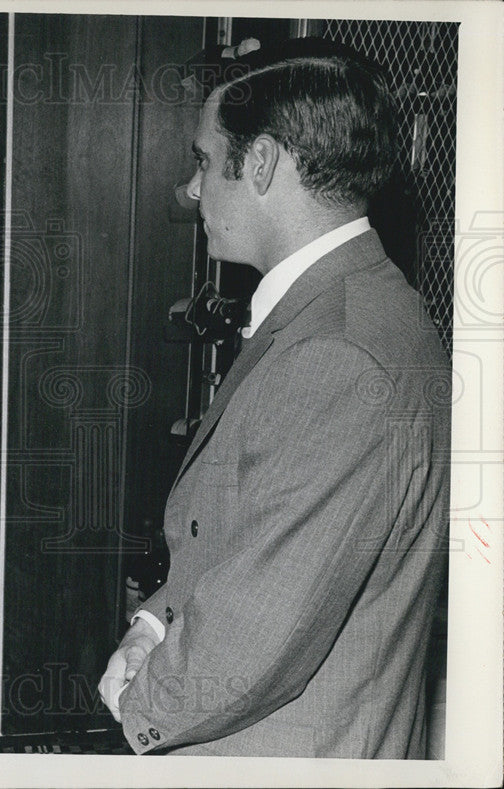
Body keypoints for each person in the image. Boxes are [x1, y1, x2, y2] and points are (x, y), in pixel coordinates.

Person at [99, 40, 450, 758]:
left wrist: (143, 699)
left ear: (259, 163)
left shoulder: (338, 357)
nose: (193, 190)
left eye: (203, 159)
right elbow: (246, 537)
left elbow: (257, 630)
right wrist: (155, 624)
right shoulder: (355, 305)